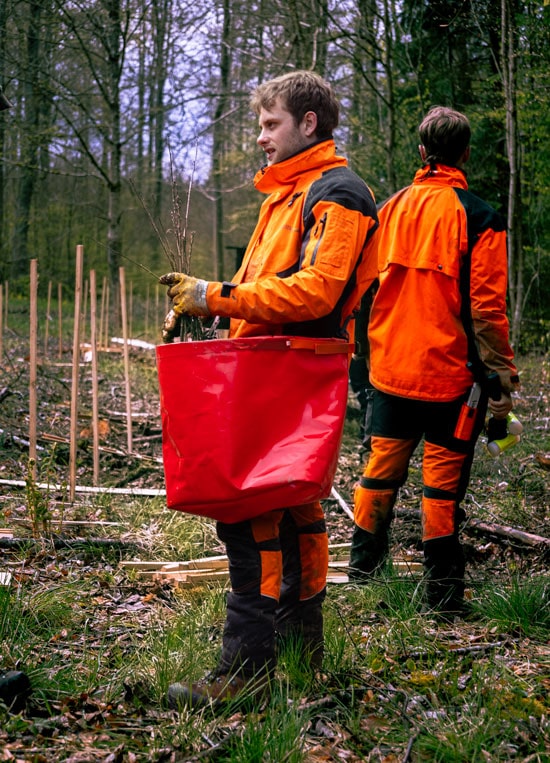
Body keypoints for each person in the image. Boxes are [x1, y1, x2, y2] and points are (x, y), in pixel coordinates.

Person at [160, 70, 379, 709]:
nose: (261, 137)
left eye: (270, 124)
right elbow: (264, 284)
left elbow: (318, 290)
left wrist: (214, 295)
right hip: (269, 365)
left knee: (252, 507)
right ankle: (298, 652)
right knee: (293, 506)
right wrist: (204, 310)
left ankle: (244, 673)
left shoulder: (339, 192)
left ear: (309, 122)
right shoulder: (286, 196)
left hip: (296, 370)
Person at [348, 106, 520, 617]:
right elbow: (488, 310)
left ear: (421, 154)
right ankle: (443, 600)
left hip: (391, 372)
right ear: (465, 153)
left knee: (380, 471)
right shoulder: (480, 216)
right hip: (452, 381)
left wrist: (361, 359)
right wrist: (502, 378)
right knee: (441, 489)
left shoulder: (389, 209)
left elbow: (361, 291)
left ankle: (362, 572)